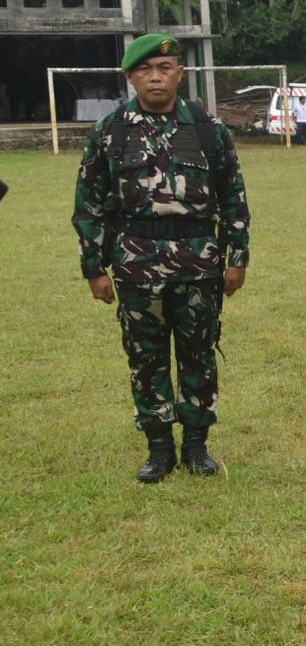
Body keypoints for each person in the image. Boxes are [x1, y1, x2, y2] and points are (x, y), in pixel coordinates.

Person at [71, 34, 250, 481]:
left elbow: (234, 196)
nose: (156, 76)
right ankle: (158, 447)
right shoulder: (110, 131)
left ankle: (196, 445)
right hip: (136, 264)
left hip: (198, 262)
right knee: (146, 358)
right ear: (131, 76)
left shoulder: (209, 129)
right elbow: (88, 204)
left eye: (165, 67)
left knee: (198, 354)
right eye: (146, 69)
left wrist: (238, 255)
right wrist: (94, 267)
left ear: (180, 73)